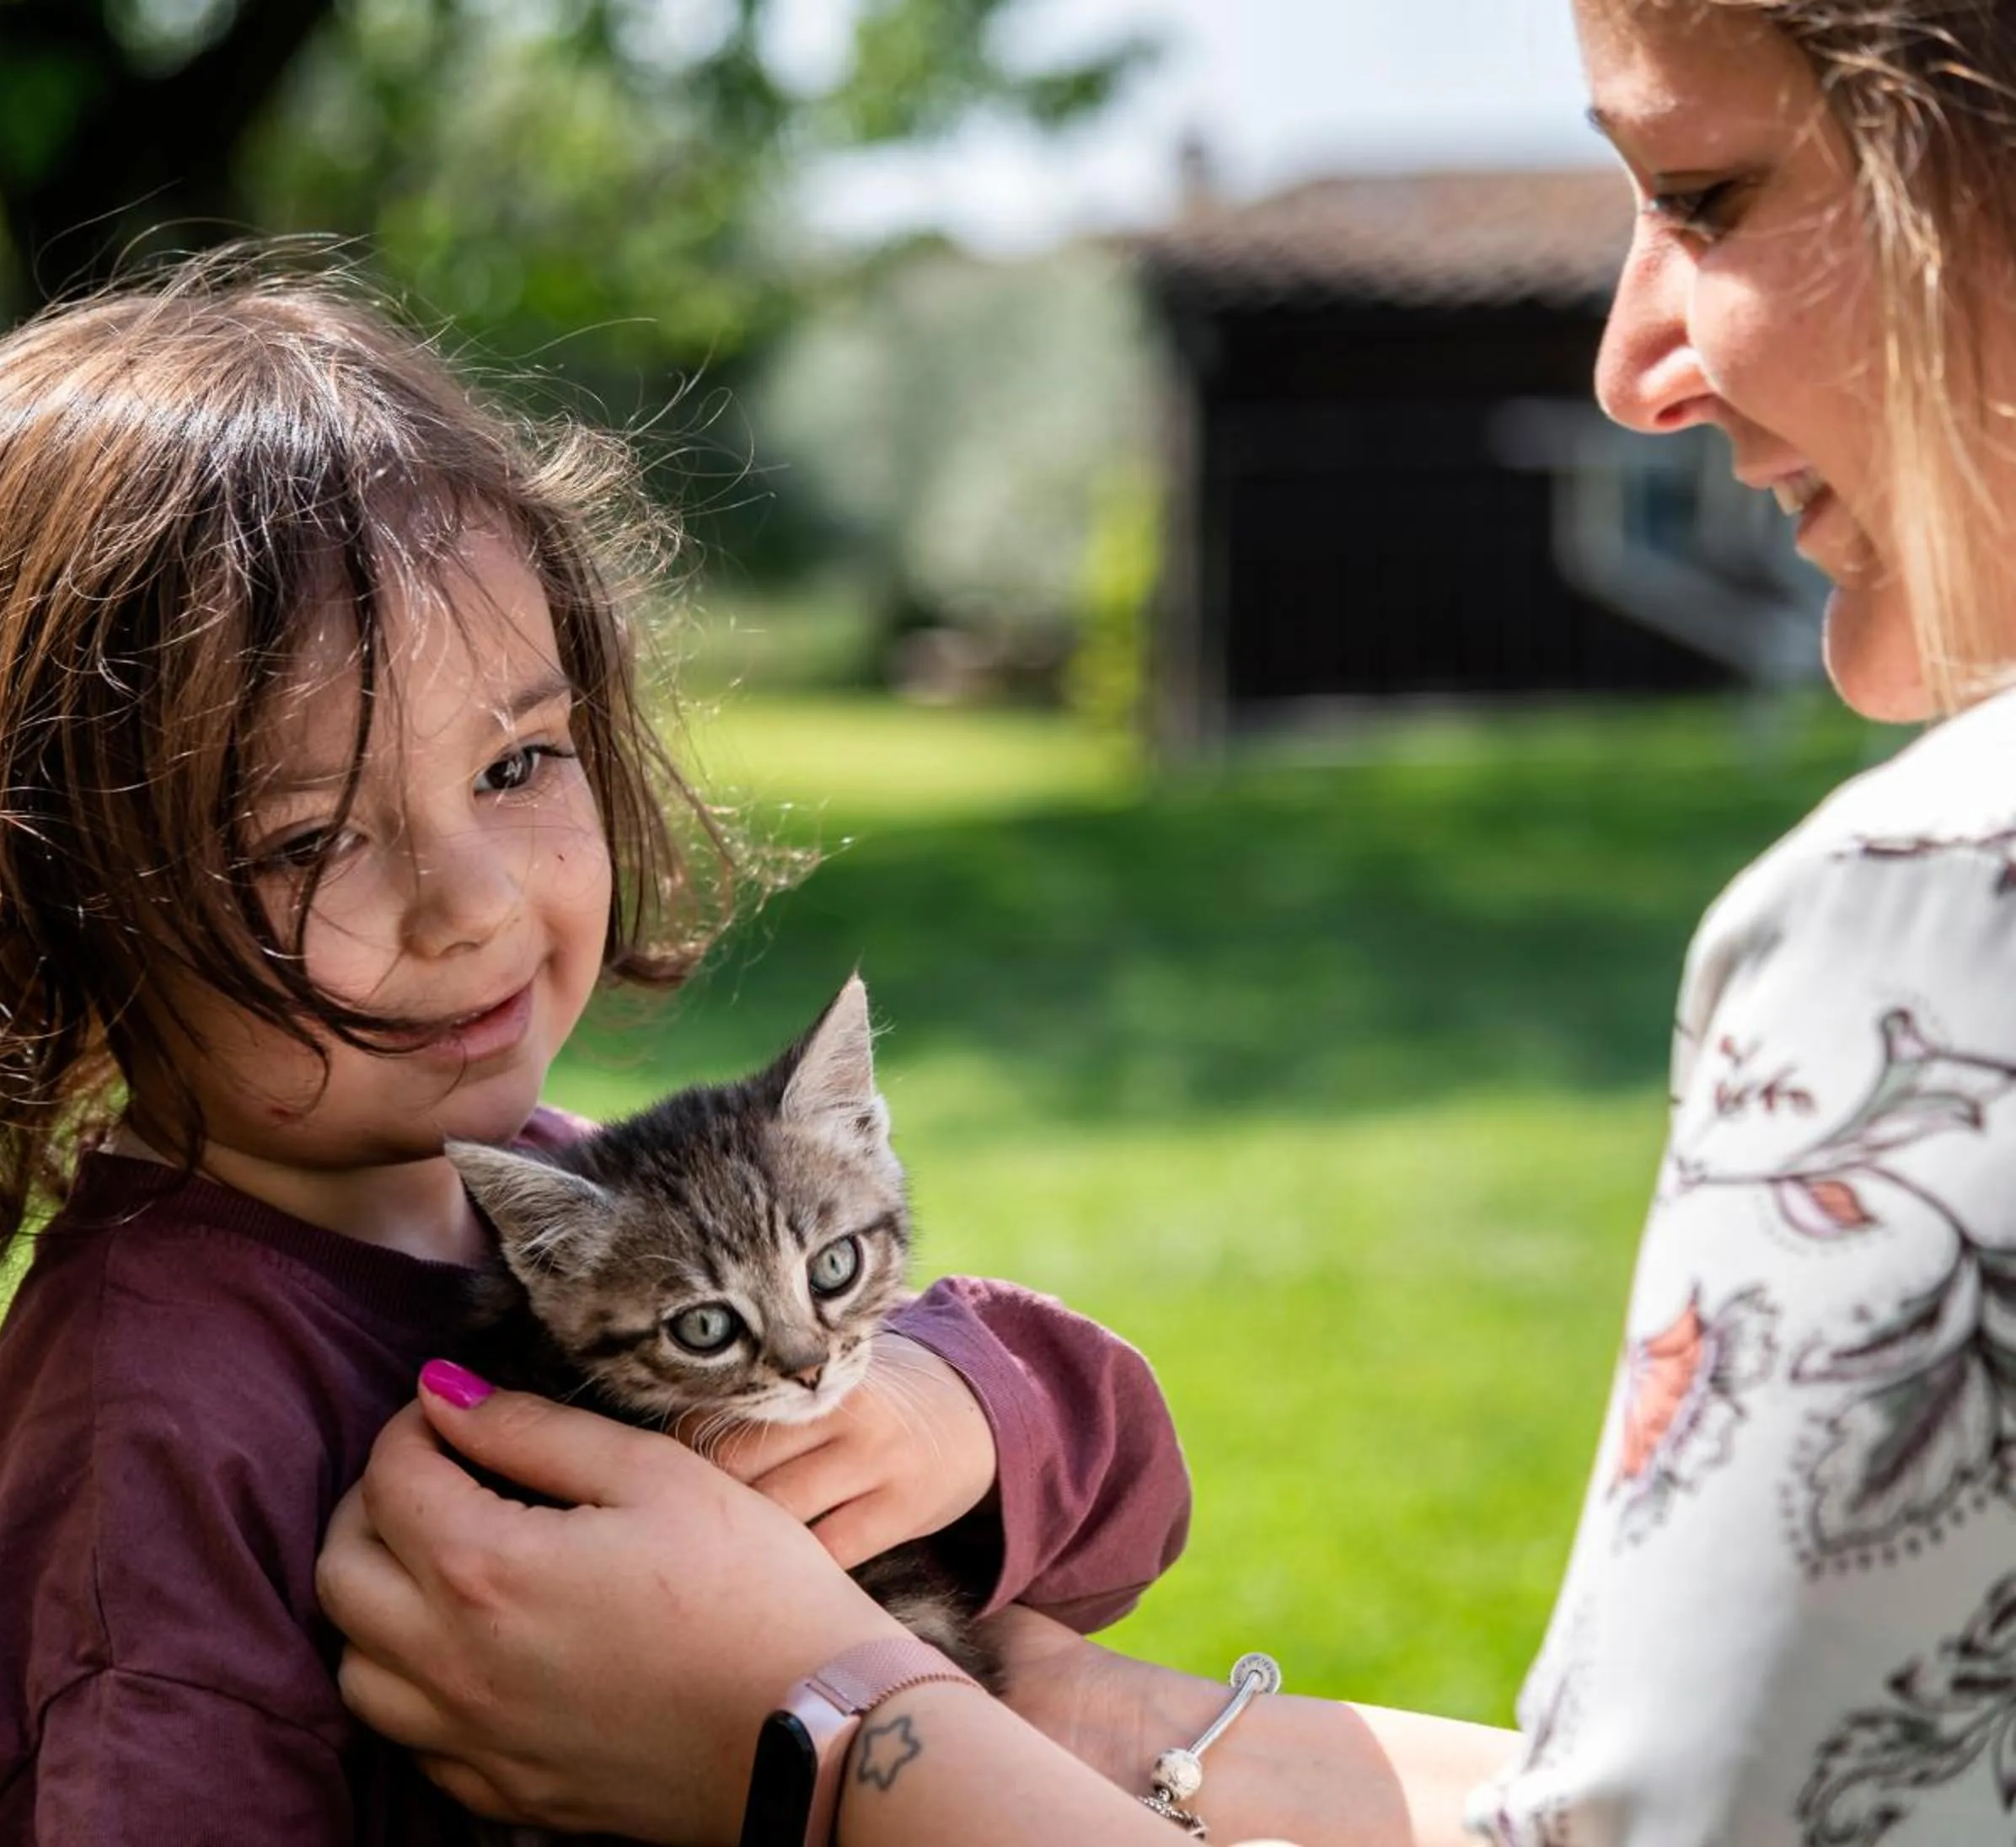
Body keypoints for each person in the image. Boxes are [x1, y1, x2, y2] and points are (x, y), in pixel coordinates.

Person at [316, 3, 2016, 1843]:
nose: (1627, 363)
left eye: (1704, 191)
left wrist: (822, 1754)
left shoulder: (1934, 922)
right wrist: (1116, 1723)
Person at [0, 265, 1193, 1844]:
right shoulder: (153, 1433)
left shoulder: (603, 1216)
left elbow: (1128, 1509)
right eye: (304, 840)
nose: (470, 904)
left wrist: (936, 1409)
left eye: (516, 761)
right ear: (54, 911)